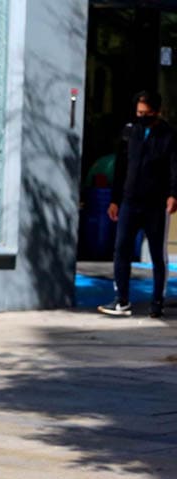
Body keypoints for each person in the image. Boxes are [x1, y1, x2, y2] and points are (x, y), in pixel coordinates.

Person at [100, 90, 175, 319]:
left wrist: (173, 194)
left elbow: (174, 167)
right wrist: (115, 199)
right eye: (138, 112)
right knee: (121, 248)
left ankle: (157, 302)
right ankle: (121, 300)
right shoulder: (130, 132)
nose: (141, 116)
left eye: (146, 113)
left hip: (155, 204)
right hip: (129, 202)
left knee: (156, 253)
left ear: (157, 112)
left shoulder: (168, 135)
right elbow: (121, 166)